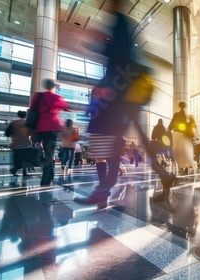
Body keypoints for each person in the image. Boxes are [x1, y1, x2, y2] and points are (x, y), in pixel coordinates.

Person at [75, 1, 175, 207]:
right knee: (130, 140)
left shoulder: (120, 22)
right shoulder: (120, 21)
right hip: (127, 94)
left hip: (123, 95)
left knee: (114, 143)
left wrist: (102, 42)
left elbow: (121, 56)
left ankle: (103, 192)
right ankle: (163, 175)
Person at [22, 79, 69, 186]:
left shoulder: (38, 96)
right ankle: (46, 180)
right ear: (53, 87)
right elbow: (66, 107)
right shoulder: (57, 97)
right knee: (49, 154)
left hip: (40, 128)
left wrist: (27, 126)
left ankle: (50, 176)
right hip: (52, 128)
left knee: (46, 153)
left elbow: (32, 110)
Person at [168, 102, 195, 175]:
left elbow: (171, 124)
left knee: (177, 150)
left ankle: (180, 166)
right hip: (184, 134)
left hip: (177, 134)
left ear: (179, 106)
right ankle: (186, 167)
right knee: (186, 151)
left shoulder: (176, 114)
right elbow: (190, 125)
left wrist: (169, 129)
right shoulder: (187, 116)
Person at [6, 110, 32, 176]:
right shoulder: (27, 123)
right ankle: (23, 172)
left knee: (17, 158)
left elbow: (7, 133)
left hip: (15, 144)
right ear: (25, 115)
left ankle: (15, 170)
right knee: (25, 158)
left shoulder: (14, 123)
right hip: (25, 144)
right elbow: (31, 133)